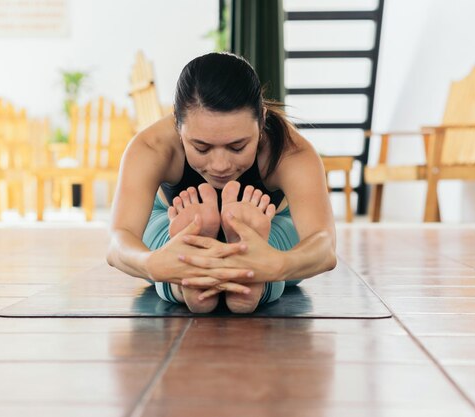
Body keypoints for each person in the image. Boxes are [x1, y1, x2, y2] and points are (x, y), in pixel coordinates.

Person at [106, 52, 336, 314]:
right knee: (158, 250)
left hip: (272, 221)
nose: (220, 165)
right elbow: (118, 240)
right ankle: (206, 284)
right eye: (201, 147)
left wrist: (277, 264)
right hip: (170, 219)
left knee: (287, 253)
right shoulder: (151, 147)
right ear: (177, 123)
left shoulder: (291, 152)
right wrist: (152, 263)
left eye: (238, 146)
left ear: (261, 119)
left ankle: (230, 280)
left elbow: (324, 245)